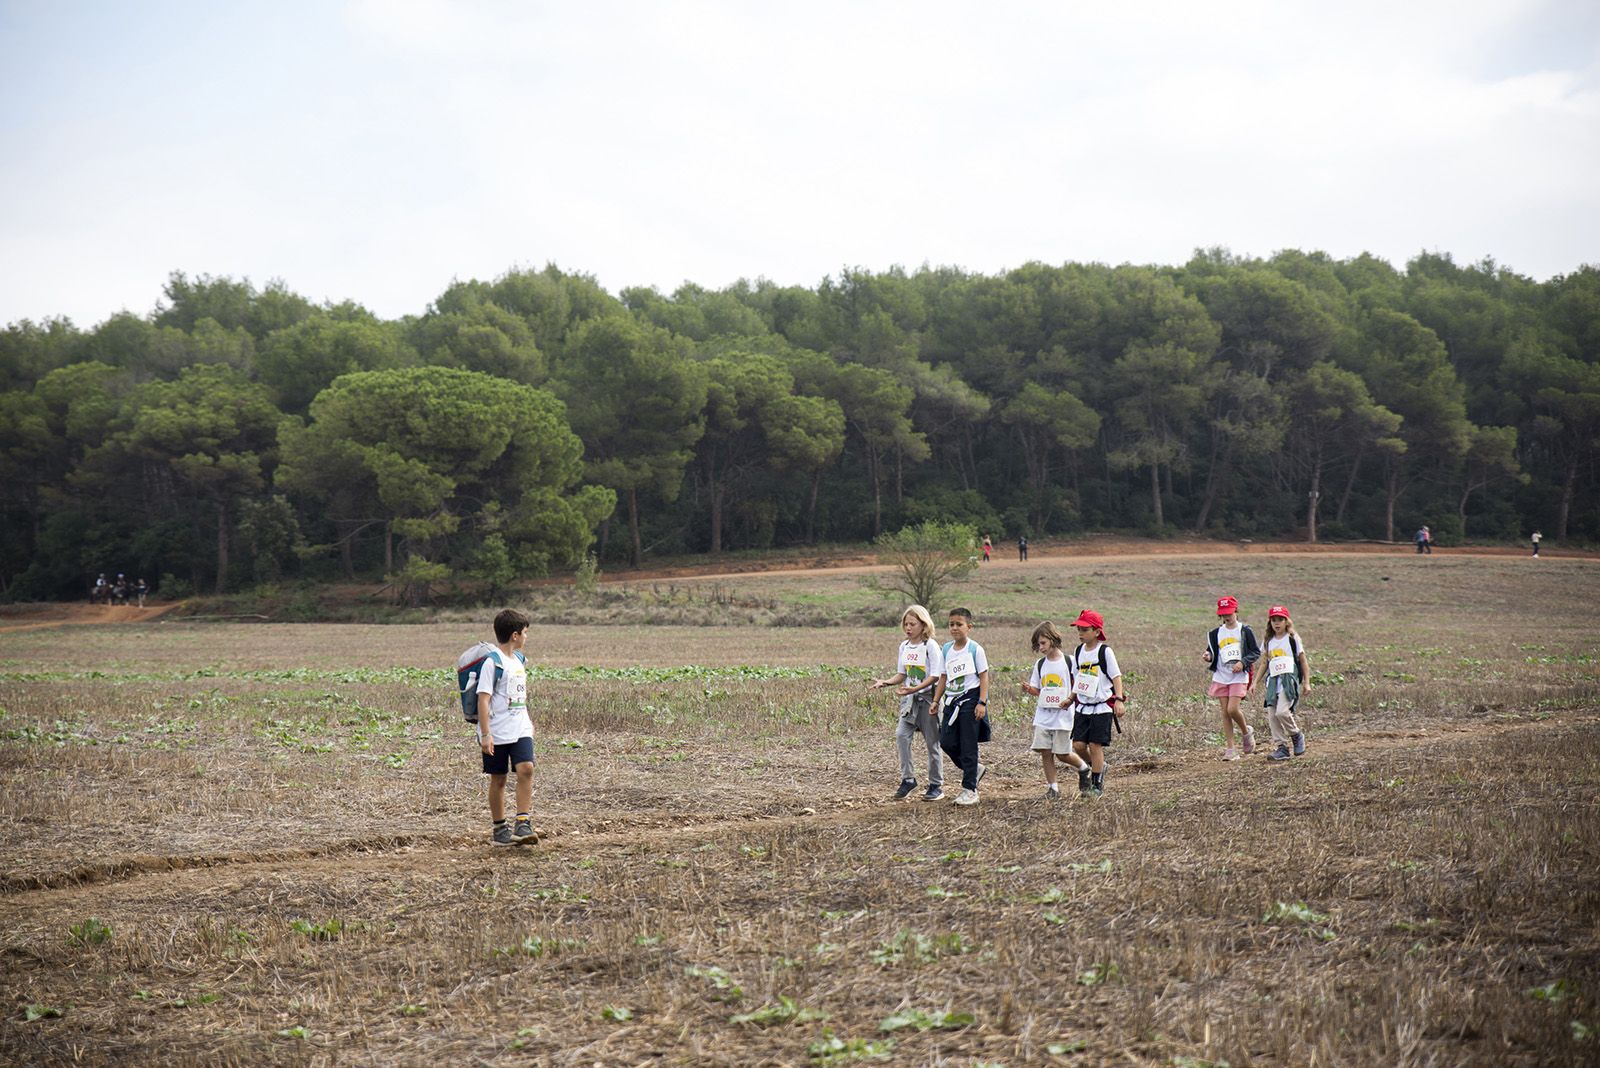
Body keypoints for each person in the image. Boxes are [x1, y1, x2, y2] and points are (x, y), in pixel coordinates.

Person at [870, 604, 945, 801]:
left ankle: (936, 785)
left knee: (932, 743)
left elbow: (936, 676)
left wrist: (916, 688)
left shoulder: (930, 646)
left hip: (929, 700)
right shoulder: (904, 646)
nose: (908, 628)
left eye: (913, 624)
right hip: (910, 701)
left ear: (923, 624)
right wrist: (886, 682)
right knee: (901, 736)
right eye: (906, 624)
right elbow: (902, 674)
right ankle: (908, 779)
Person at [475, 608, 537, 846]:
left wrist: (528, 723)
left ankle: (523, 822)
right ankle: (500, 828)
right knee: (499, 779)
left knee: (526, 768)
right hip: (497, 731)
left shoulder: (519, 660)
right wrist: (486, 734)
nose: (526, 637)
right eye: (525, 633)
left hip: (520, 728)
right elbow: (483, 699)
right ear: (515, 635)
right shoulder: (492, 663)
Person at [1021, 620, 1088, 799]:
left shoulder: (1069, 662)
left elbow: (1079, 684)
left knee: (1062, 754)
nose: (1041, 647)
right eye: (1038, 645)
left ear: (1052, 639)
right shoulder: (1040, 664)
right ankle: (1053, 788)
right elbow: (1038, 690)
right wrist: (1029, 689)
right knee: (1045, 752)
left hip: (1063, 717)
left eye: (1043, 643)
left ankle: (1083, 768)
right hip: (1043, 716)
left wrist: (1070, 699)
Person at [931, 607, 989, 806]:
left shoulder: (975, 649)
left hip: (970, 700)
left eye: (959, 624)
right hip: (951, 700)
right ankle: (974, 769)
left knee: (968, 744)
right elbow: (943, 676)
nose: (954, 628)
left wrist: (981, 702)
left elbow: (984, 676)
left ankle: (970, 789)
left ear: (969, 627)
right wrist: (936, 700)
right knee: (946, 741)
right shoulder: (946, 649)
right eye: (951, 624)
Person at [1067, 610, 1124, 797]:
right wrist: (1070, 698)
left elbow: (1116, 677)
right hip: (1083, 706)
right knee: (1078, 745)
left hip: (1101, 707)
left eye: (1084, 629)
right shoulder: (1078, 652)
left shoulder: (1105, 651)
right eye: (1079, 629)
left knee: (1095, 745)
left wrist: (1119, 700)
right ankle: (1098, 766)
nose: (1080, 633)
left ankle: (1096, 784)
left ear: (1097, 631)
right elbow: (1077, 678)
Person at [1246, 605, 1310, 760]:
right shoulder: (1269, 641)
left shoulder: (1292, 638)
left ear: (1286, 621)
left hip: (1288, 680)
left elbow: (1303, 660)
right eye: (1274, 620)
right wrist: (1255, 682)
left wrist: (1306, 682)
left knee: (1282, 711)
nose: (1277, 623)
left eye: (1280, 619)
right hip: (1273, 681)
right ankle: (1281, 747)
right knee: (1272, 715)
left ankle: (1296, 734)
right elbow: (1264, 663)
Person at [1202, 595, 1259, 760]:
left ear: (1236, 611)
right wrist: (1208, 656)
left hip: (1239, 676)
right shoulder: (1215, 633)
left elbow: (1255, 652)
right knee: (1225, 713)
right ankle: (1231, 749)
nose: (1227, 616)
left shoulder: (1245, 631)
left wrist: (1243, 662)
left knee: (1232, 709)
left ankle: (1246, 732)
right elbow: (1212, 651)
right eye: (1223, 614)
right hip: (1221, 676)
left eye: (1229, 613)